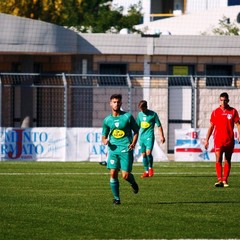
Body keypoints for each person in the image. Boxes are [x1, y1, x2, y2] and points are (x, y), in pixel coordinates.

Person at [102, 94, 139, 205]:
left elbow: (136, 131)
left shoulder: (127, 117)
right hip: (113, 149)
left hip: (125, 149)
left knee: (125, 176)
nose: (116, 104)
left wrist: (133, 143)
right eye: (114, 102)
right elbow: (104, 135)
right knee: (113, 173)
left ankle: (133, 183)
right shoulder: (107, 120)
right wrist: (105, 141)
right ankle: (117, 198)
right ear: (110, 103)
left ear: (121, 103)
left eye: (118, 102)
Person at [204, 92, 240, 187]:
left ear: (228, 100)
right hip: (218, 140)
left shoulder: (233, 111)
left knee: (227, 160)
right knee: (218, 159)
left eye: (224, 100)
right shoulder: (215, 112)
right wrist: (207, 139)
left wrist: (239, 135)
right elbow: (211, 127)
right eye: (221, 100)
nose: (223, 102)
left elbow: (238, 124)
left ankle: (225, 180)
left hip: (229, 140)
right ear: (219, 100)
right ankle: (219, 180)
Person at [136, 100, 165, 178]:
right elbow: (137, 127)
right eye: (140, 109)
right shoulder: (139, 115)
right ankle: (146, 172)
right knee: (143, 154)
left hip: (149, 136)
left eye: (143, 109)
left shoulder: (153, 114)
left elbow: (159, 125)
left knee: (148, 153)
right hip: (141, 137)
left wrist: (162, 136)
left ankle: (150, 168)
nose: (142, 110)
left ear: (146, 107)